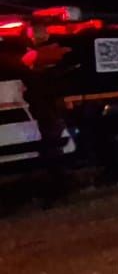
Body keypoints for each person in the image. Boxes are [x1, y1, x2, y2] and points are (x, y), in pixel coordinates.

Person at [20, 25, 77, 205]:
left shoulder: (45, 54)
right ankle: (60, 184)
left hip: (48, 108)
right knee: (52, 147)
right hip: (48, 107)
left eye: (35, 33)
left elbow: (39, 81)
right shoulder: (44, 53)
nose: (33, 37)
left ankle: (60, 189)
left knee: (52, 148)